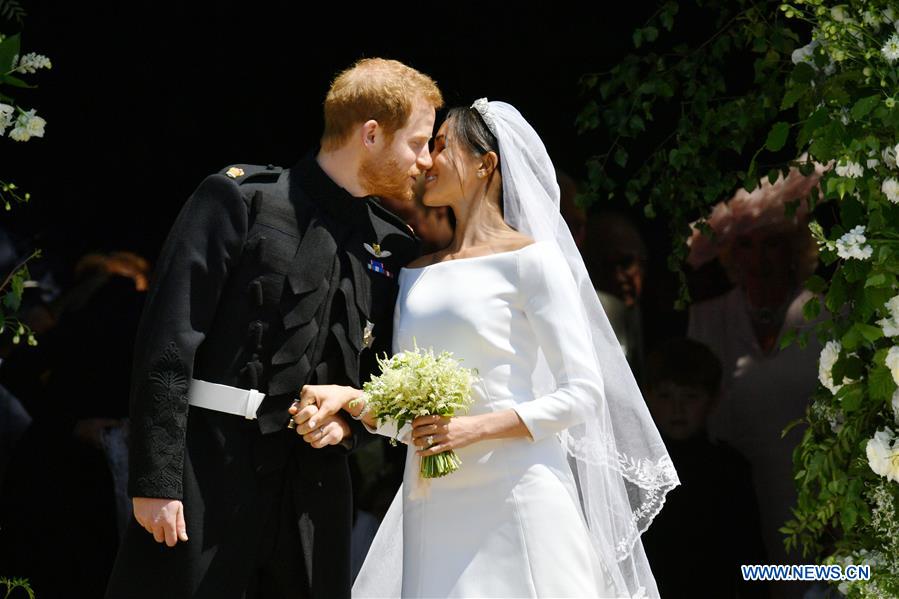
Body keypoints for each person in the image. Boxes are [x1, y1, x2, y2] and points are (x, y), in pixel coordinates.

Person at [292, 100, 678, 598]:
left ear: (485, 164)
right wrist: (353, 400)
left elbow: (584, 394)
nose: (427, 160)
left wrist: (473, 428)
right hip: (431, 504)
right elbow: (414, 418)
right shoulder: (415, 272)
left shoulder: (532, 262)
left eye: (441, 145)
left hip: (518, 492)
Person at [104, 58, 442, 599]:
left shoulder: (394, 246)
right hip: (208, 472)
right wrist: (155, 481)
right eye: (419, 143)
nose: (426, 162)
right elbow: (168, 343)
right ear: (371, 133)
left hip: (315, 493)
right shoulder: (241, 200)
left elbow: (378, 376)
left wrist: (349, 425)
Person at [686, 162, 825, 599]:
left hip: (815, 494)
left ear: (793, 250)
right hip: (736, 498)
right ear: (731, 255)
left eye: (772, 245)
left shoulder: (827, 311)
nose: (760, 258)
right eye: (746, 245)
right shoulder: (706, 319)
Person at [640, 338, 769, 598]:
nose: (678, 408)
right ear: (647, 397)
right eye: (665, 396)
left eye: (690, 396)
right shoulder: (634, 469)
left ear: (713, 399)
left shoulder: (729, 469)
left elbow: (750, 557)